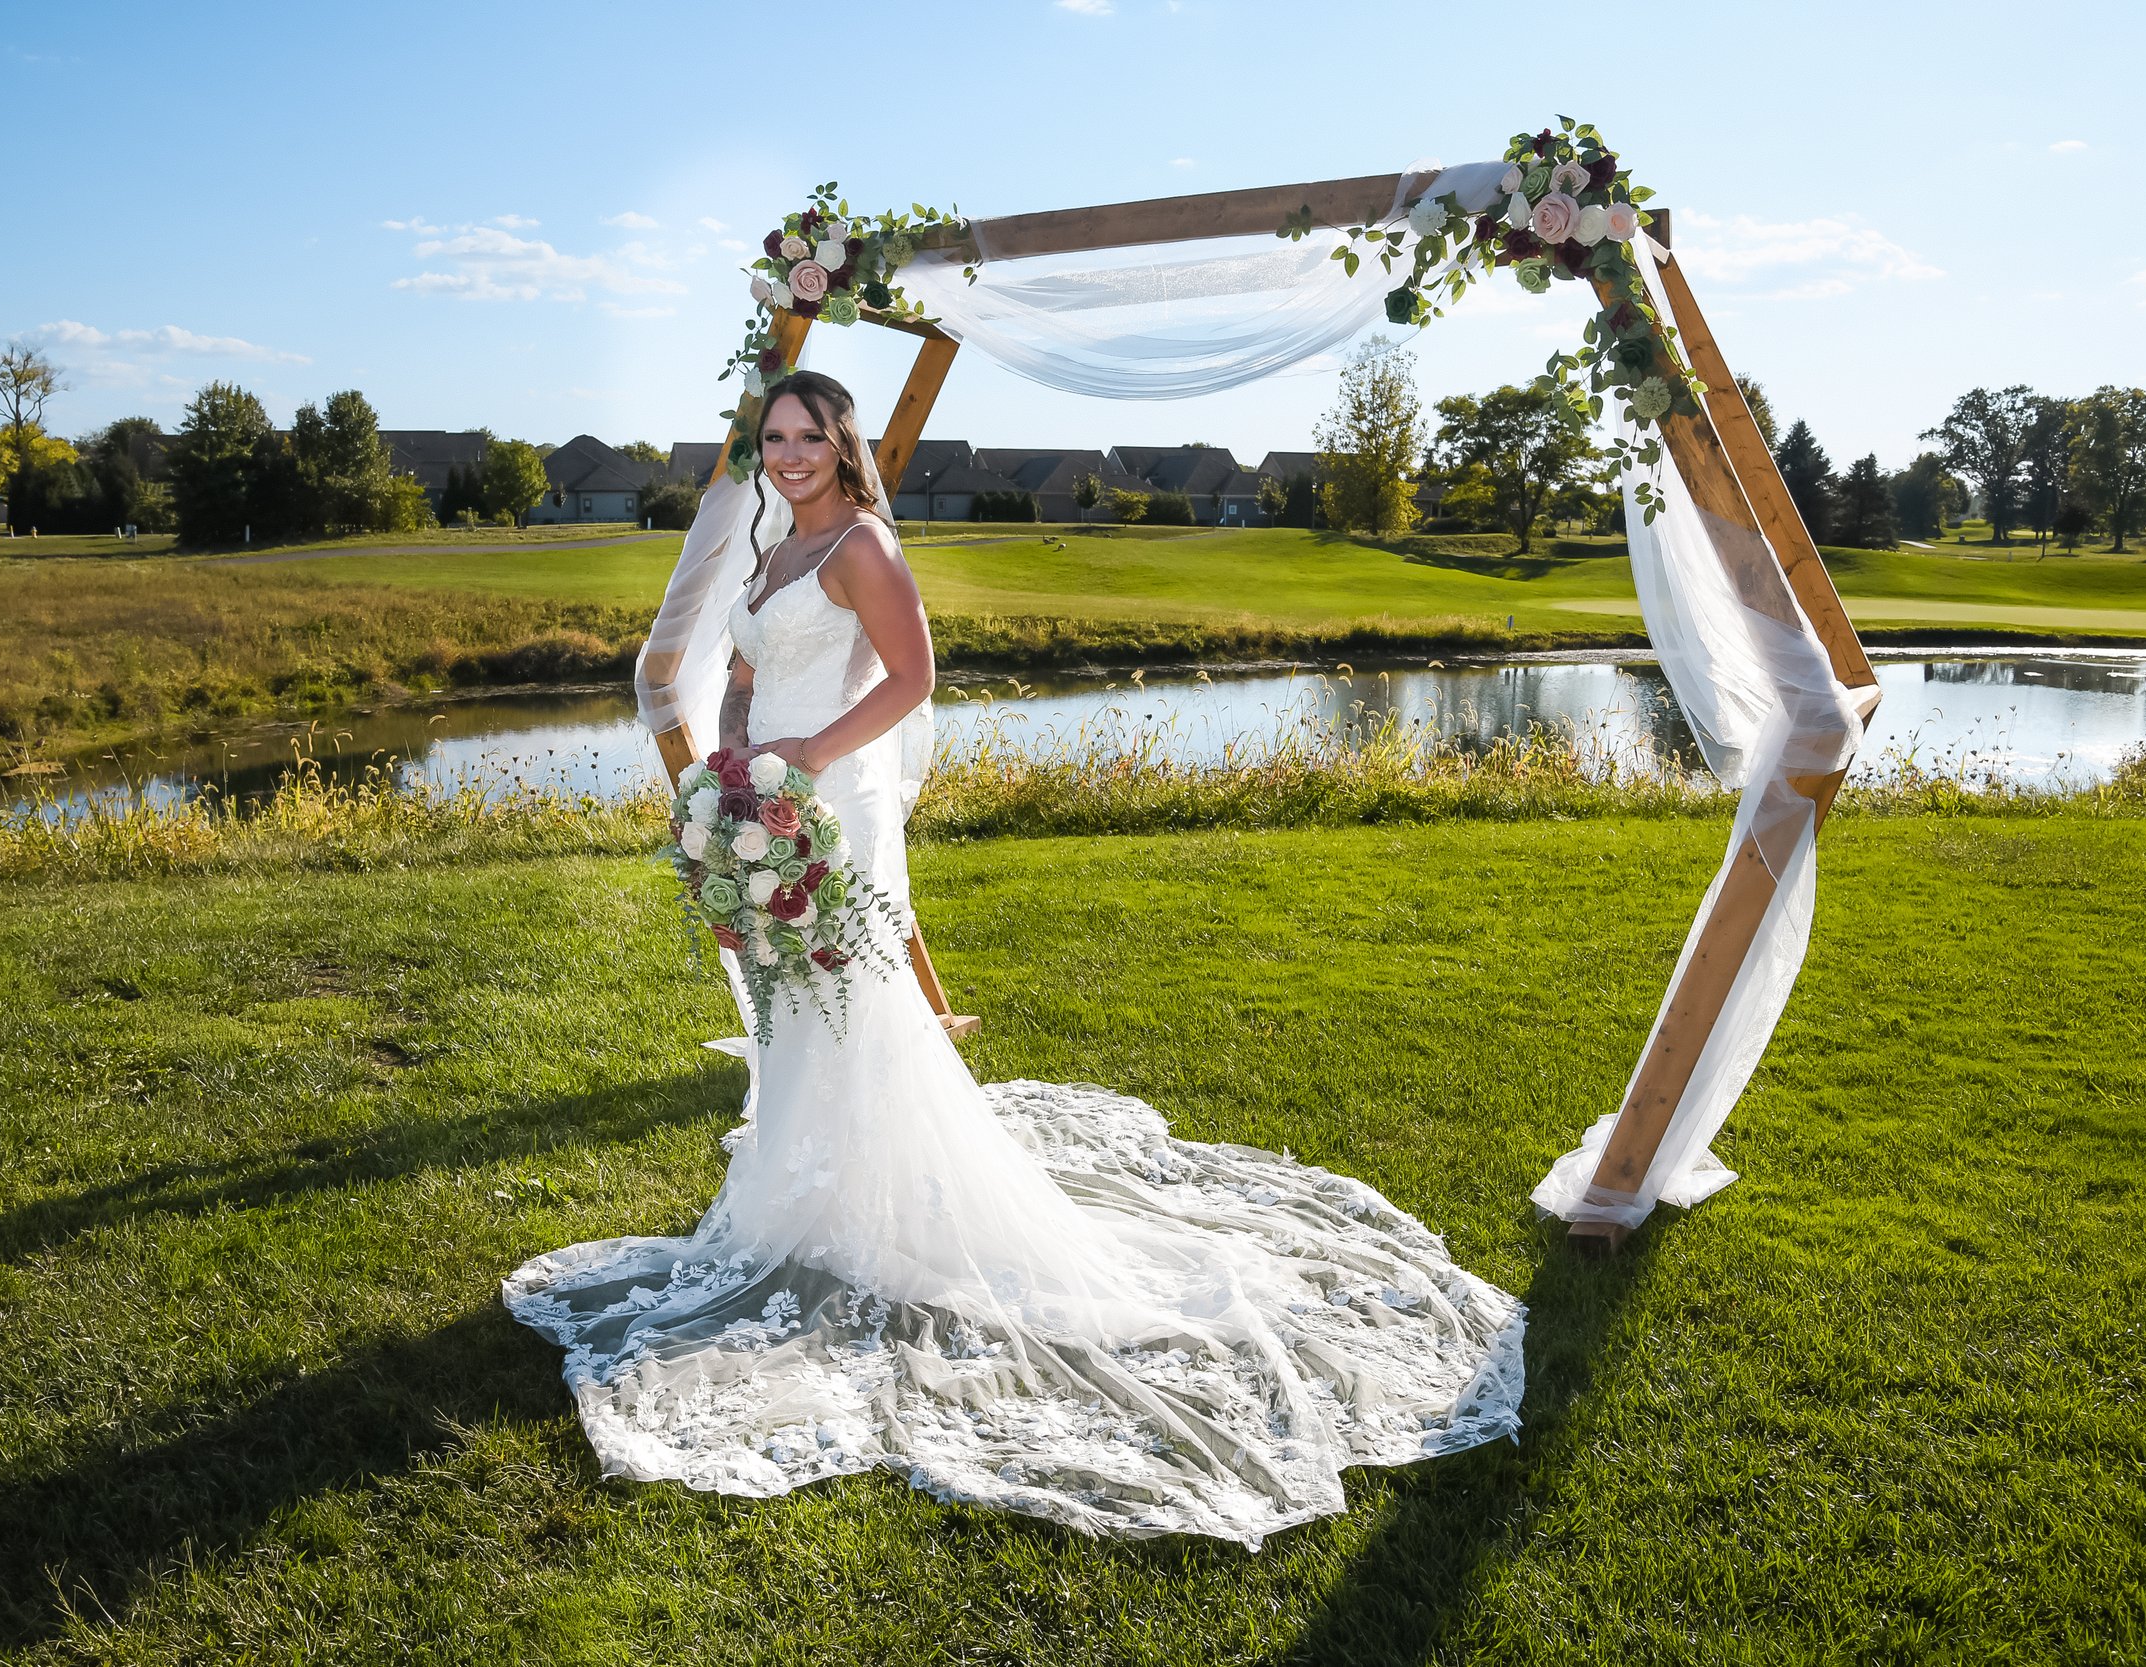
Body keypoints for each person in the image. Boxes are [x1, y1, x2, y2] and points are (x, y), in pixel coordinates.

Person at [503, 371, 1522, 1548]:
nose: (787, 456)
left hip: (831, 799)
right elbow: (739, 674)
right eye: (772, 439)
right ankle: (803, 1198)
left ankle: (892, 1212)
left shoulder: (863, 545)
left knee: (851, 1001)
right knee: (794, 1001)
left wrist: (795, 764)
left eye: (806, 438)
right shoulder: (777, 544)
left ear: (841, 445)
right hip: (768, 797)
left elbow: (914, 679)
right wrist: (733, 762)